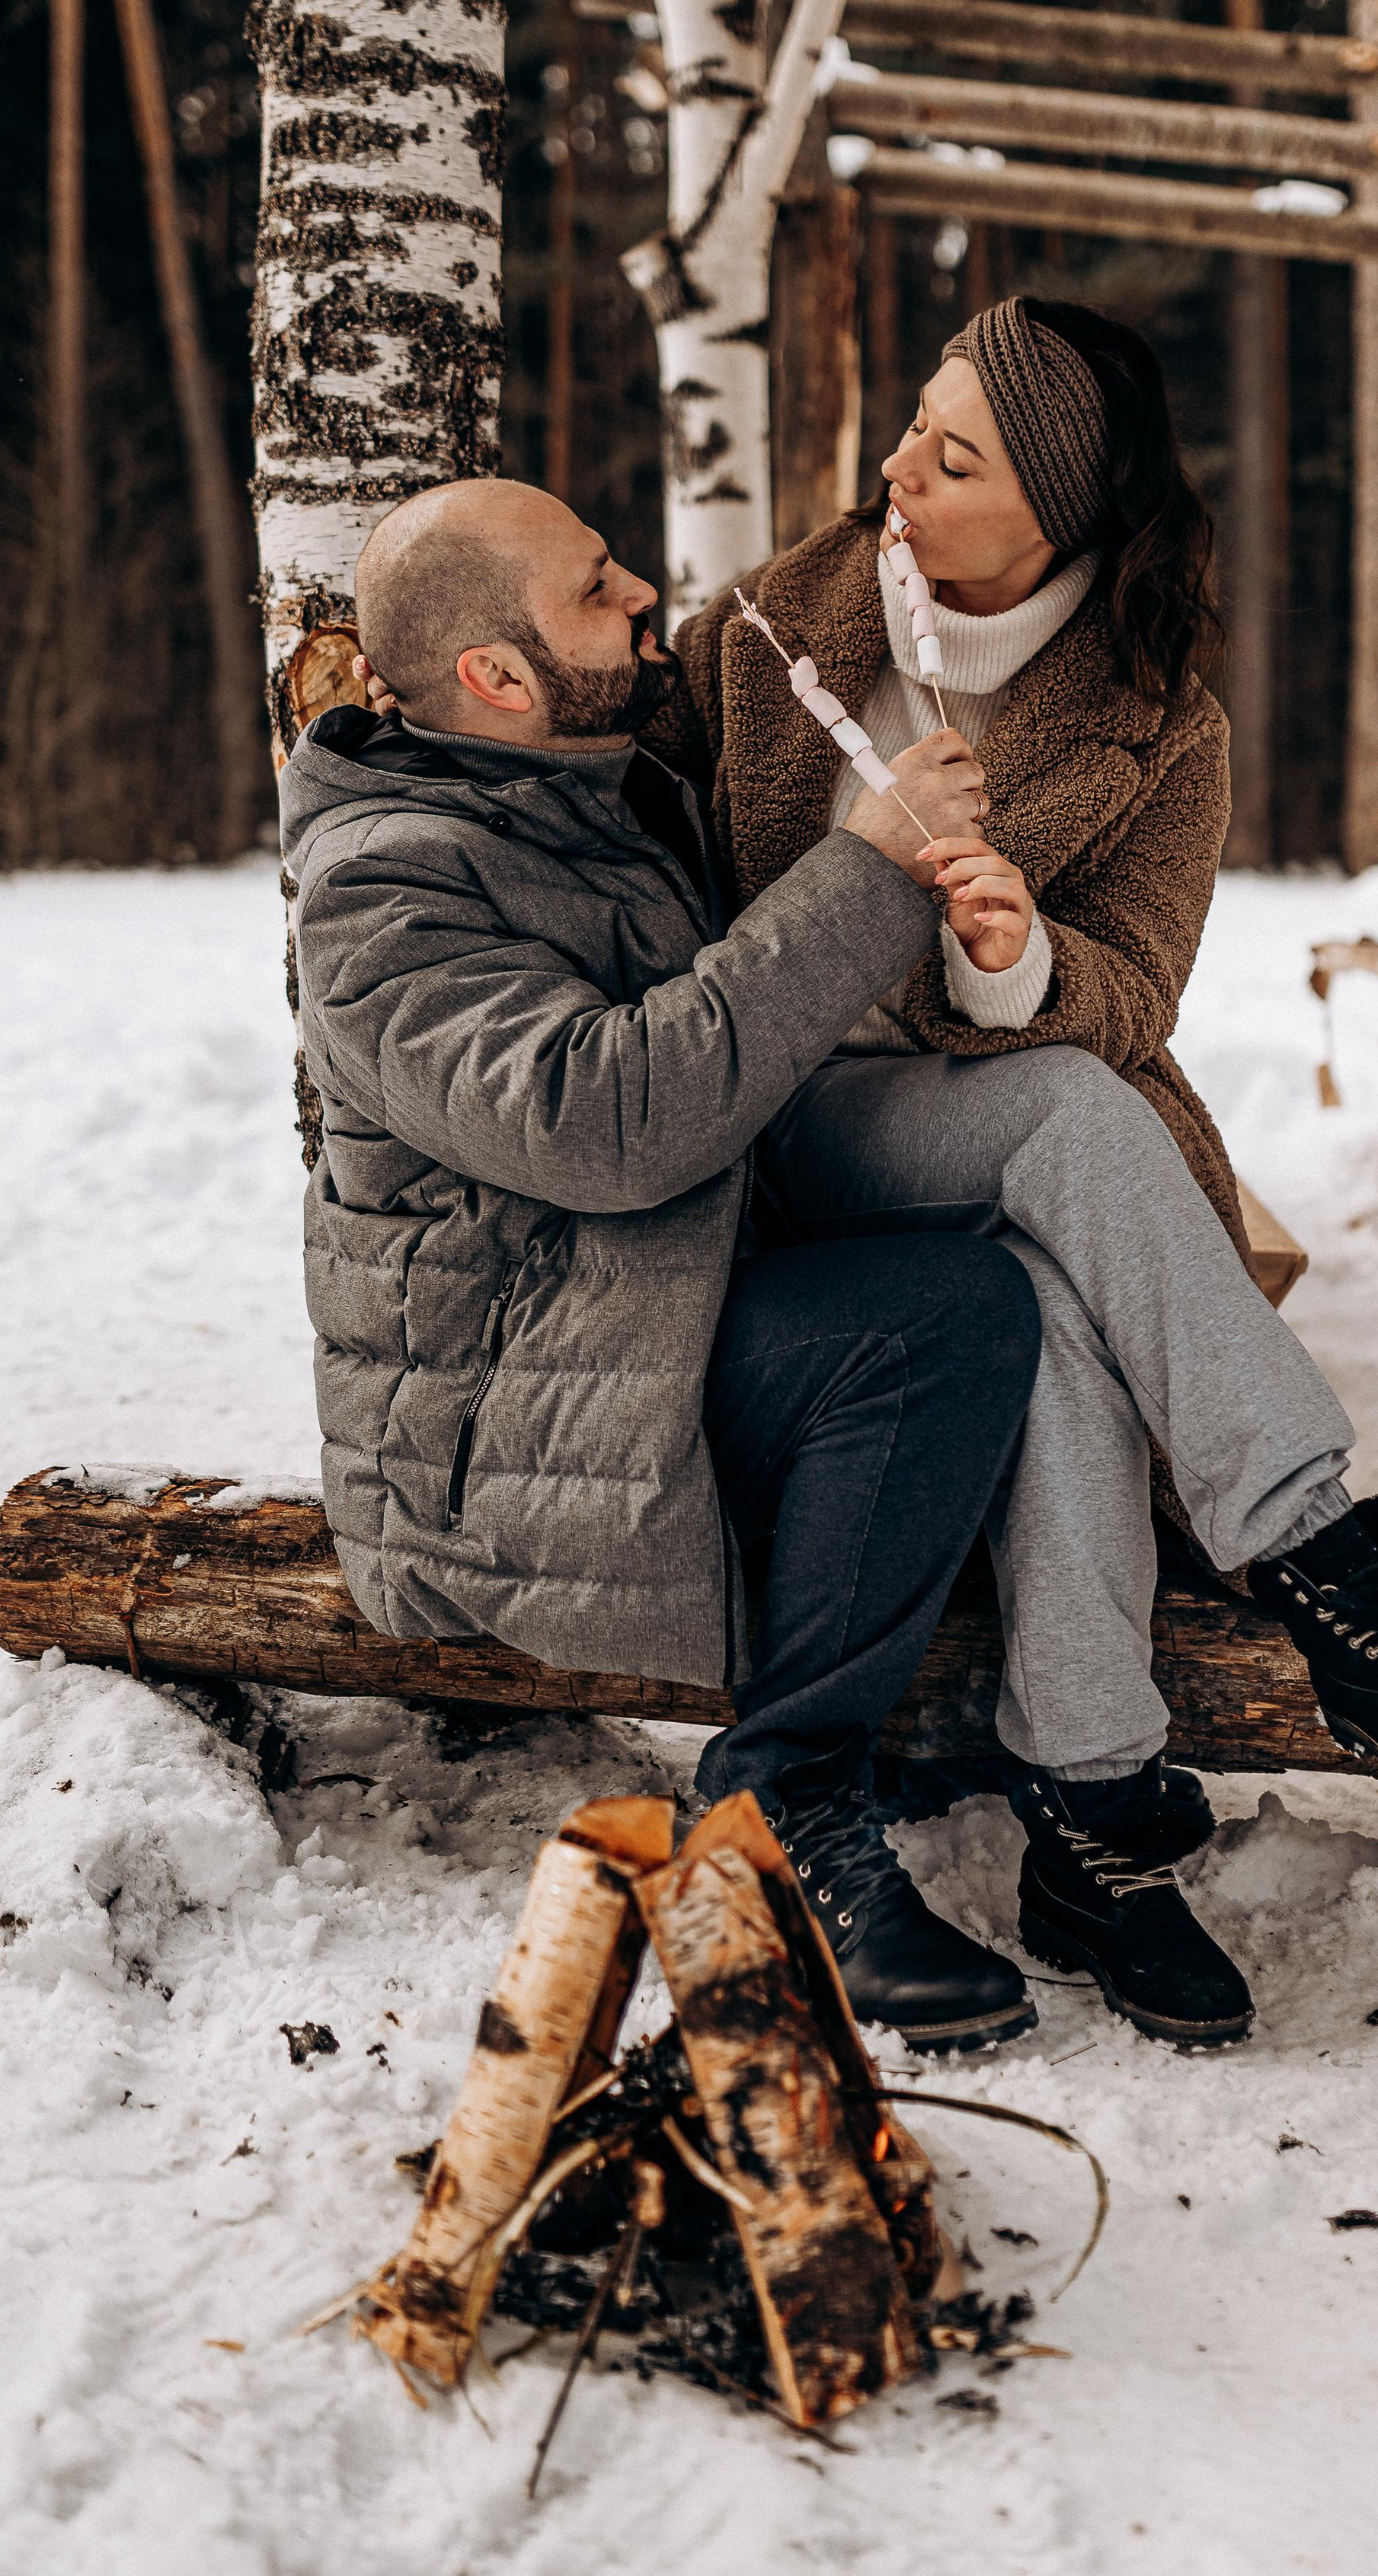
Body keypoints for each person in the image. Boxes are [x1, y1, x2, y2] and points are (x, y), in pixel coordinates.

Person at [627, 295, 1378, 2047]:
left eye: (951, 454)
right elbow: (621, 791)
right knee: (1074, 1115)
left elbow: (1128, 991)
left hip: (993, 1141)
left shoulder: (1157, 724)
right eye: (914, 421)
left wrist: (1009, 959)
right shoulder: (783, 617)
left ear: (1060, 524)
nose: (895, 467)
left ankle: (1092, 1815)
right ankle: (1336, 1575)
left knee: (1055, 1292)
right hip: (780, 1132)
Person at [285, 476, 1047, 2057]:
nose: (642, 596)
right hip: (503, 1441)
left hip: (630, 1331)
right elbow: (612, 1118)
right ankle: (786, 1802)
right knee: (937, 1320)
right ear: (496, 676)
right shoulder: (383, 886)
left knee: (1010, 1215)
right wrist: (866, 867)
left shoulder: (589, 779)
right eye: (592, 587)